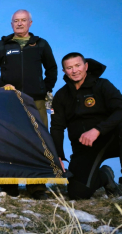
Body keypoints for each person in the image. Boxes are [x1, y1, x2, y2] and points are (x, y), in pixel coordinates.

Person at [0, 9, 58, 200]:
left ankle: (36, 187)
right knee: (8, 140)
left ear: (30, 23)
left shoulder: (41, 44)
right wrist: (1, 86)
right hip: (10, 101)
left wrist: (45, 88)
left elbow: (52, 69)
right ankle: (9, 185)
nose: (19, 24)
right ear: (11, 24)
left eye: (23, 20)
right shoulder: (2, 45)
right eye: (16, 21)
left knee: (38, 140)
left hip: (37, 101)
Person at [50, 53, 122, 199]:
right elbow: (57, 127)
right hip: (84, 146)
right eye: (69, 68)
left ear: (86, 66)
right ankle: (105, 176)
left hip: (109, 138)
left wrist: (98, 130)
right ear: (64, 71)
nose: (74, 71)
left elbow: (120, 109)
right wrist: (57, 155)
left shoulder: (102, 85)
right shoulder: (61, 96)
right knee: (78, 193)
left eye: (78, 65)